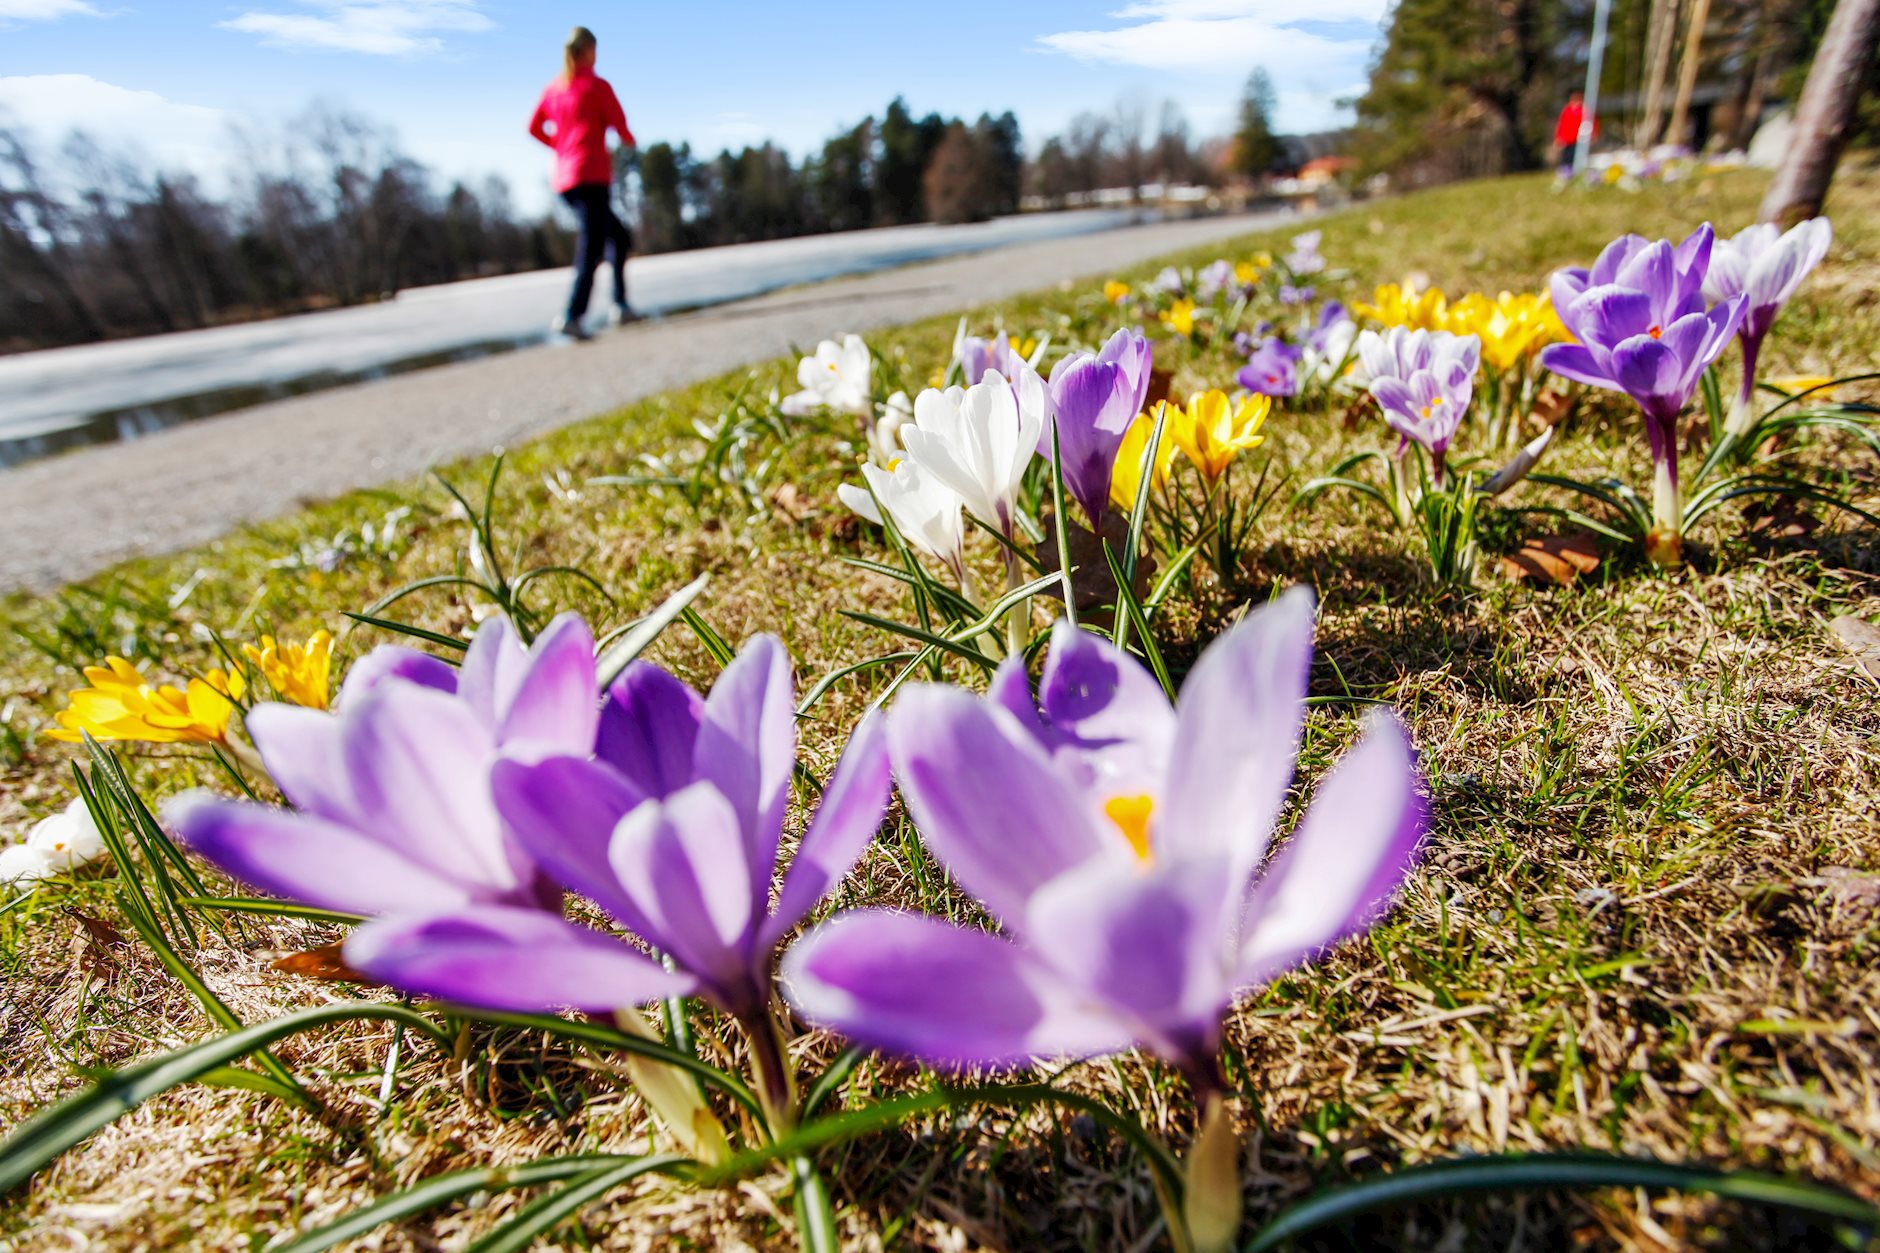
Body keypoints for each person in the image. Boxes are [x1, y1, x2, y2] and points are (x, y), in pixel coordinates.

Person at [529, 25, 637, 340]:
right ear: (588, 51)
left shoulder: (553, 90)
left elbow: (534, 128)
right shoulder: (595, 86)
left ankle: (620, 305)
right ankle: (572, 315)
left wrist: (560, 147)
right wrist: (629, 140)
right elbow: (620, 123)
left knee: (618, 237)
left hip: (565, 179)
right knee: (592, 246)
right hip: (590, 175)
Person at [1551, 91, 1599, 177]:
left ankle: (1582, 174)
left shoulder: (1584, 110)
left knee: (1581, 157)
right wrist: (1559, 137)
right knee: (1567, 158)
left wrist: (1593, 135)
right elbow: (1562, 124)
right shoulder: (1567, 110)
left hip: (1580, 140)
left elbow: (1591, 123)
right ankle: (1566, 174)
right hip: (1568, 140)